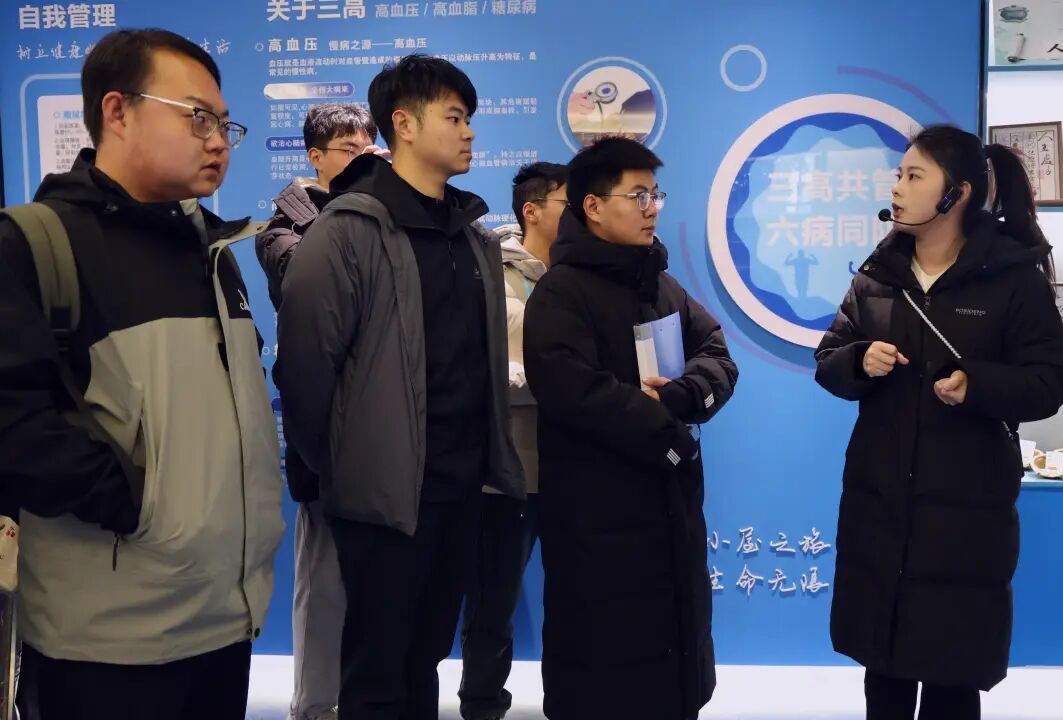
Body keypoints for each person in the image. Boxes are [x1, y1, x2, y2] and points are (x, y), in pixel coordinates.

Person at [0, 28, 284, 720]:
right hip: (108, 639)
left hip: (223, 618)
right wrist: (141, 506)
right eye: (197, 117)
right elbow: (14, 425)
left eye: (225, 124)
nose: (218, 141)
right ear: (117, 111)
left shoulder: (213, 251)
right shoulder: (34, 243)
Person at [275, 55, 524, 720]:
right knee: (377, 674)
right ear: (404, 124)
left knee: (425, 660)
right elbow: (305, 371)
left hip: (461, 490)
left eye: (470, 118)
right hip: (382, 504)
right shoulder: (345, 233)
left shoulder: (473, 240)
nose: (469, 132)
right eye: (455, 117)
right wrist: (341, 476)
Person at [815, 125, 1063, 720]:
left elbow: (1052, 380)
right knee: (883, 677)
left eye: (914, 176)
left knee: (952, 680)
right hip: (880, 508)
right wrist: (858, 361)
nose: (897, 187)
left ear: (956, 194)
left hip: (965, 519)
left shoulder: (1011, 278)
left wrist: (977, 385)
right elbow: (828, 360)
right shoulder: (878, 275)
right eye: (898, 175)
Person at [522, 137, 738, 720]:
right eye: (637, 196)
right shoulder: (561, 292)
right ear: (593, 207)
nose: (652, 209)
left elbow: (717, 354)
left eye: (656, 195)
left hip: (671, 513)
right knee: (605, 674)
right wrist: (669, 439)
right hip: (596, 519)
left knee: (674, 669)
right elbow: (575, 391)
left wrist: (683, 395)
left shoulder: (661, 285)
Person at [255, 102, 385, 720]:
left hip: (387, 434)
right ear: (315, 157)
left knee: (386, 590)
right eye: (349, 151)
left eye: (369, 149)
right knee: (325, 582)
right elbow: (313, 280)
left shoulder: (387, 215)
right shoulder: (282, 230)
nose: (363, 160)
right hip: (326, 438)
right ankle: (314, 708)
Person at [458, 161, 567, 720]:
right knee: (493, 601)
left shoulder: (580, 277)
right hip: (507, 470)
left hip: (574, 469)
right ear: (532, 210)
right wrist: (551, 383)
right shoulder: (488, 272)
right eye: (568, 203)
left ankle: (572, 701)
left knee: (576, 602)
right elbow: (476, 368)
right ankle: (482, 704)